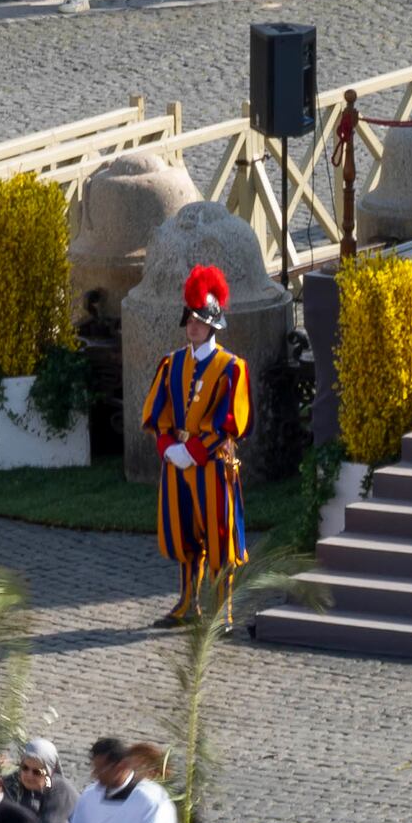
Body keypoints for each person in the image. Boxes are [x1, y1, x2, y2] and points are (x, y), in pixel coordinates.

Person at [144, 266, 253, 633]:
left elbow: (230, 422)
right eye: (189, 319)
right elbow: (157, 413)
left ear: (213, 323)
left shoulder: (230, 368)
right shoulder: (172, 363)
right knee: (185, 536)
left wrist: (194, 450)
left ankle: (222, 611)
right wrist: (168, 448)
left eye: (199, 320)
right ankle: (188, 604)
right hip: (177, 464)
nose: (192, 325)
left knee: (220, 538)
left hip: (211, 465)